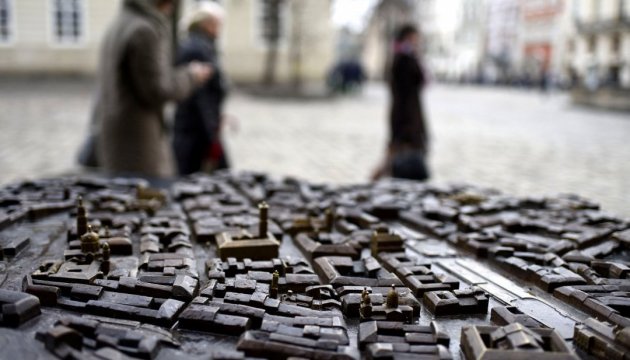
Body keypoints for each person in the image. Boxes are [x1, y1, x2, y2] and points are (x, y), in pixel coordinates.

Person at [92, 0, 212, 178]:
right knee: (144, 197)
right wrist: (191, 76)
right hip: (137, 141)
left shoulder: (122, 23)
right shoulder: (144, 30)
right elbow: (157, 89)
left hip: (118, 133)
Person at [173, 2, 230, 175]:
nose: (219, 29)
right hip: (195, 131)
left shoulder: (201, 45)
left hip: (198, 127)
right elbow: (200, 97)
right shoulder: (197, 49)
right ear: (206, 24)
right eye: (217, 24)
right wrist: (210, 132)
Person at [372, 24, 429, 181]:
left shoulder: (404, 57)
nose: (417, 41)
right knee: (395, 155)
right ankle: (371, 184)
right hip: (406, 119)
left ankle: (372, 183)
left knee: (393, 155)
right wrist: (408, 126)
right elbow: (405, 92)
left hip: (407, 117)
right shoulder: (404, 59)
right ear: (407, 38)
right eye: (414, 38)